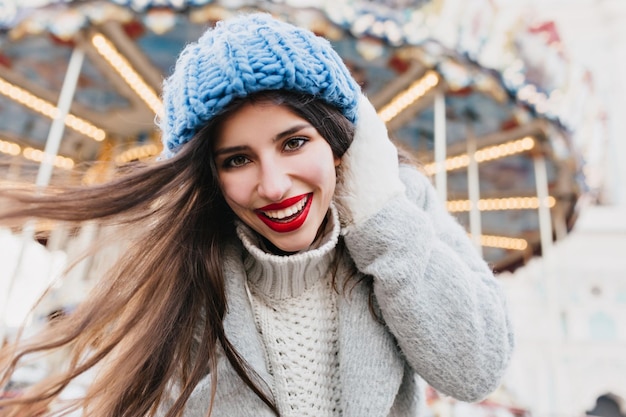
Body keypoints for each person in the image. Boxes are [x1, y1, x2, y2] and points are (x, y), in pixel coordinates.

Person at [0, 12, 514, 417]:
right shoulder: (187, 269)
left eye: (294, 143)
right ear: (209, 174)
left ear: (339, 140)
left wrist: (381, 218)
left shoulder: (402, 208)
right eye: (237, 160)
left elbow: (475, 369)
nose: (272, 186)